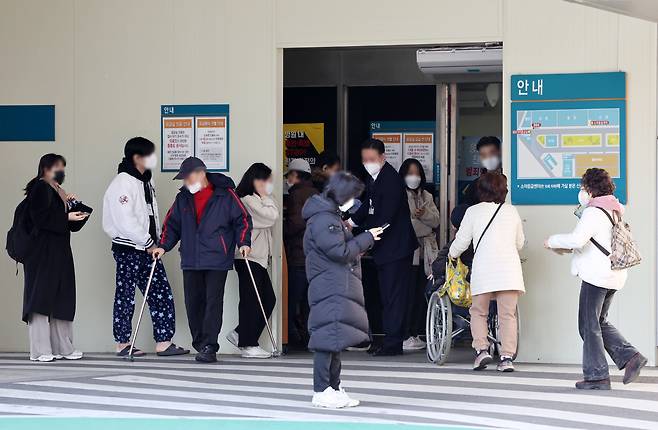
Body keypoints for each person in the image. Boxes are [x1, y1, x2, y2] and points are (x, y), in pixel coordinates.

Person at [544, 168, 647, 390]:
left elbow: (577, 239)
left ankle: (597, 376)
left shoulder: (594, 212)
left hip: (597, 276)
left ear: (590, 189)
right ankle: (631, 358)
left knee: (588, 325)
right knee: (598, 322)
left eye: (583, 187)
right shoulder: (614, 210)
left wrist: (552, 241)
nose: (581, 191)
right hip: (613, 275)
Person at [152, 157, 252, 363]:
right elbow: (171, 225)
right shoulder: (183, 199)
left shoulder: (225, 195)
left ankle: (209, 346)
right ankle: (200, 343)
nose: (185, 183)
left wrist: (243, 242)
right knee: (193, 303)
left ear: (200, 174)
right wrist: (163, 246)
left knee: (212, 303)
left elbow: (242, 219)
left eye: (187, 178)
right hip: (190, 258)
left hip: (217, 258)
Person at [302, 171, 383, 408]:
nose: (354, 202)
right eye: (353, 197)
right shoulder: (324, 220)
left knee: (334, 339)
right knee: (326, 339)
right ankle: (321, 390)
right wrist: (367, 237)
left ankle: (334, 388)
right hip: (330, 285)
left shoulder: (329, 217)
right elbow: (340, 252)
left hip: (334, 284)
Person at [102, 137, 188, 357]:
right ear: (136, 157)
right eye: (149, 155)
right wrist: (148, 242)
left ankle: (164, 341)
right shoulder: (122, 182)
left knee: (161, 293)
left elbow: (151, 214)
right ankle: (122, 343)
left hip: (149, 248)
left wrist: (155, 241)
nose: (153, 159)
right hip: (129, 248)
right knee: (126, 296)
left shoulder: (146, 180)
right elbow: (125, 220)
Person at [348, 138, 418, 356]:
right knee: (386, 297)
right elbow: (368, 206)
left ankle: (393, 343)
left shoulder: (390, 181)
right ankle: (389, 339)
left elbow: (384, 218)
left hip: (395, 249)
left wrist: (365, 241)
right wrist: (350, 223)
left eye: (372, 159)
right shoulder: (374, 179)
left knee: (393, 297)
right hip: (386, 249)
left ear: (383, 158)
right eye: (365, 159)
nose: (368, 163)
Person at [449, 172, 524, 372]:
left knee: (478, 312)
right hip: (509, 270)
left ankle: (482, 350)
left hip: (485, 270)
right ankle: (507, 357)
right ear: (503, 190)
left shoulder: (473, 212)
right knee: (507, 315)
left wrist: (452, 254)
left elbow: (462, 242)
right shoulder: (511, 211)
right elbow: (520, 243)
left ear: (480, 190)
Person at [22, 153, 89, 362]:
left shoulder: (58, 190)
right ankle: (40, 350)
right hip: (42, 253)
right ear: (45, 168)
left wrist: (73, 207)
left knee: (62, 297)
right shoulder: (40, 187)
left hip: (59, 251)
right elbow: (40, 219)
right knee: (41, 298)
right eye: (57, 166)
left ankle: (63, 347)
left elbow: (67, 225)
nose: (61, 170)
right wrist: (65, 216)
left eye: (63, 167)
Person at [227, 163, 278, 359]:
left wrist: (264, 196)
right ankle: (248, 343)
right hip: (248, 256)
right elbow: (271, 217)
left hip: (258, 257)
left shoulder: (256, 199)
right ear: (256, 181)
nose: (269, 185)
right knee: (251, 300)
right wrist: (265, 196)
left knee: (267, 299)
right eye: (266, 180)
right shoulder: (248, 200)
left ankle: (241, 334)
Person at [399, 158, 440, 351]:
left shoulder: (427, 196)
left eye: (416, 173)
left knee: (421, 294)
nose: (413, 177)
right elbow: (407, 226)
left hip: (427, 254)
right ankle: (405, 334)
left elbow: (436, 220)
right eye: (409, 173)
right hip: (409, 252)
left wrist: (421, 215)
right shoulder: (399, 195)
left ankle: (415, 333)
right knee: (406, 295)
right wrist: (423, 224)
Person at [283, 158, 318, 349]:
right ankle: (309, 337)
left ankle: (289, 339)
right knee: (308, 302)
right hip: (313, 256)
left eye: (289, 175)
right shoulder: (316, 193)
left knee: (292, 300)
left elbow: (296, 223)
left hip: (298, 255)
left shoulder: (297, 195)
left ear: (295, 175)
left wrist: (282, 231)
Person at [462, 136, 502, 205]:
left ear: (500, 153)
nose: (488, 158)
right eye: (483, 155)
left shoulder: (509, 181)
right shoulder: (475, 185)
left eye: (492, 153)